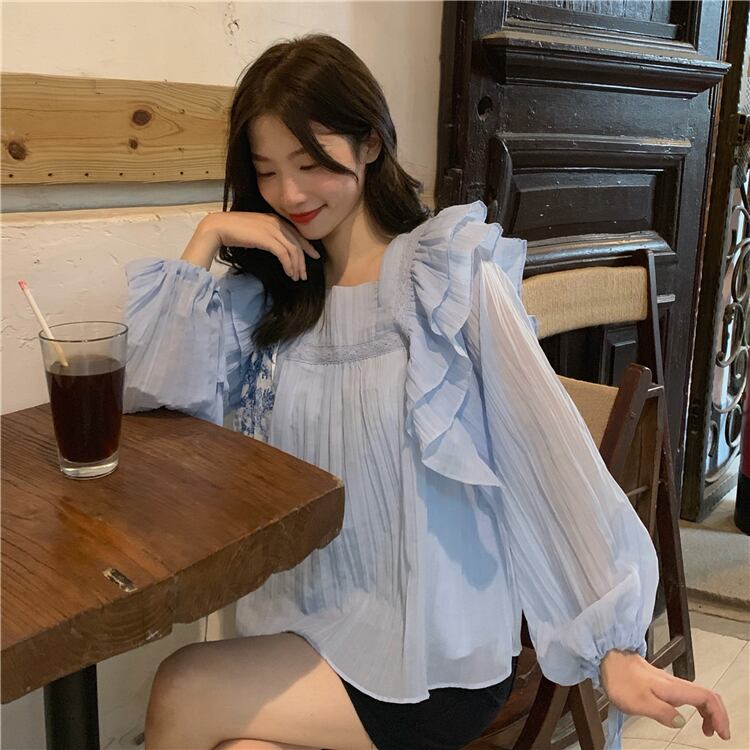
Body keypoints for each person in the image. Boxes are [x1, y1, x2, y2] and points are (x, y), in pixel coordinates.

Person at [124, 34, 731, 750]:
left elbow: (545, 450)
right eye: (267, 172)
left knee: (181, 686)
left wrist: (612, 646)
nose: (290, 195)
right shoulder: (267, 302)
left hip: (432, 655)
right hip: (302, 627)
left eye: (310, 163)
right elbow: (150, 407)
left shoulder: (444, 277)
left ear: (370, 143)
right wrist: (206, 236)